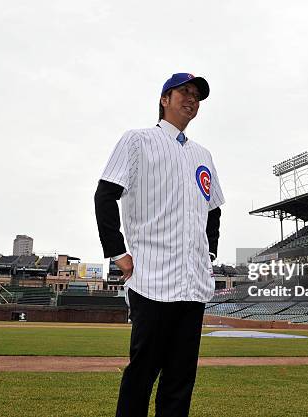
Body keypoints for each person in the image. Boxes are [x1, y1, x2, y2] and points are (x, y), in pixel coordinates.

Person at [94, 73, 224, 417]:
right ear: (165, 99)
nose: (191, 99)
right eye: (184, 91)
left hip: (193, 284)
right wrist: (117, 251)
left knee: (181, 380)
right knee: (143, 372)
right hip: (152, 278)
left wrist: (209, 253)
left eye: (196, 95)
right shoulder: (138, 140)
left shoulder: (203, 155)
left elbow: (214, 210)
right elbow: (106, 194)